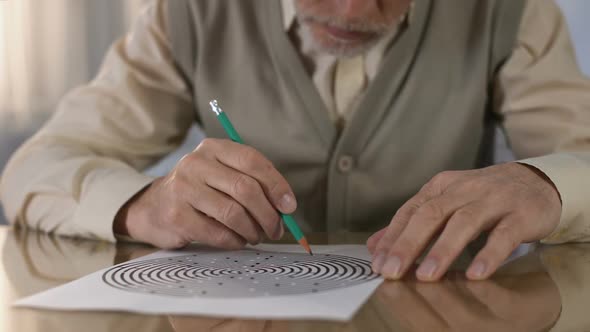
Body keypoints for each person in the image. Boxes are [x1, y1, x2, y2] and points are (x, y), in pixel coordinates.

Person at [1, 0, 590, 282]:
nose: (353, 8)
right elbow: (36, 167)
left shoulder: (513, 12)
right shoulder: (188, 13)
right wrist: (142, 205)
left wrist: (545, 184)